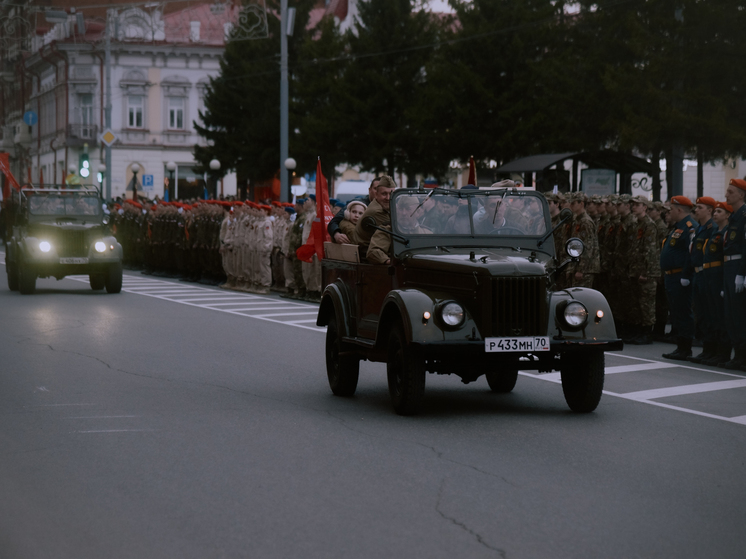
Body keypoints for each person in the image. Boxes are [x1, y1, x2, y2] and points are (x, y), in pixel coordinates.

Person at [660, 196, 698, 360]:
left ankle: (685, 348)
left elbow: (691, 254)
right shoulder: (677, 227)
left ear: (679, 210)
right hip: (671, 276)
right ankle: (680, 346)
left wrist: (686, 275)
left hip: (680, 276)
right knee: (676, 311)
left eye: (671, 210)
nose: (669, 213)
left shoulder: (690, 227)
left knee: (683, 311)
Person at [700, 201, 732, 366]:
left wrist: (723, 283)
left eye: (720, 211)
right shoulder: (714, 232)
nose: (715, 214)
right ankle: (710, 350)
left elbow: (725, 260)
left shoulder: (727, 232)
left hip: (719, 275)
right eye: (715, 211)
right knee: (710, 315)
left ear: (727, 215)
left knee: (720, 317)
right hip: (709, 275)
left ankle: (722, 353)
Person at [625, 196, 661, 345]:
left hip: (646, 272)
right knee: (636, 303)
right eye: (633, 205)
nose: (634, 207)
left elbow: (651, 251)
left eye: (637, 205)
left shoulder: (649, 225)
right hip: (635, 270)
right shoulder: (635, 224)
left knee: (646, 303)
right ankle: (639, 331)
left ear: (645, 207)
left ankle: (647, 333)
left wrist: (646, 272)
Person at [719, 178, 746, 370]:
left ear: (742, 195)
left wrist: (742, 274)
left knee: (739, 315)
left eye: (730, 192)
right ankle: (737, 354)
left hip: (738, 267)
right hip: (729, 268)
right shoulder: (735, 216)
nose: (726, 195)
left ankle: (742, 356)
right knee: (730, 315)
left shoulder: (744, 215)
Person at [688, 197, 717, 361]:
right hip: (698, 274)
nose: (696, 210)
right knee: (701, 312)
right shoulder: (700, 228)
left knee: (708, 313)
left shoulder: (711, 228)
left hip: (706, 273)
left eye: (700, 207)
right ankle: (707, 348)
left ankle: (711, 349)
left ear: (709, 210)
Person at [367, 195, 429, 264]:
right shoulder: (387, 230)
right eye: (400, 209)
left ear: (418, 212)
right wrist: (388, 261)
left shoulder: (426, 233)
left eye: (408, 209)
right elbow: (373, 252)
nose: (403, 213)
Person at [329, 177, 379, 243]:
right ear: (370, 190)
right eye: (376, 188)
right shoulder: (356, 203)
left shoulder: (387, 207)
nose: (378, 192)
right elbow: (333, 222)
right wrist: (336, 234)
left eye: (381, 190)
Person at [355, 175, 395, 254]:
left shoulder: (381, 205)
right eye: (384, 194)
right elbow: (395, 231)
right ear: (376, 195)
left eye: (391, 194)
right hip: (368, 254)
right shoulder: (377, 211)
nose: (388, 198)